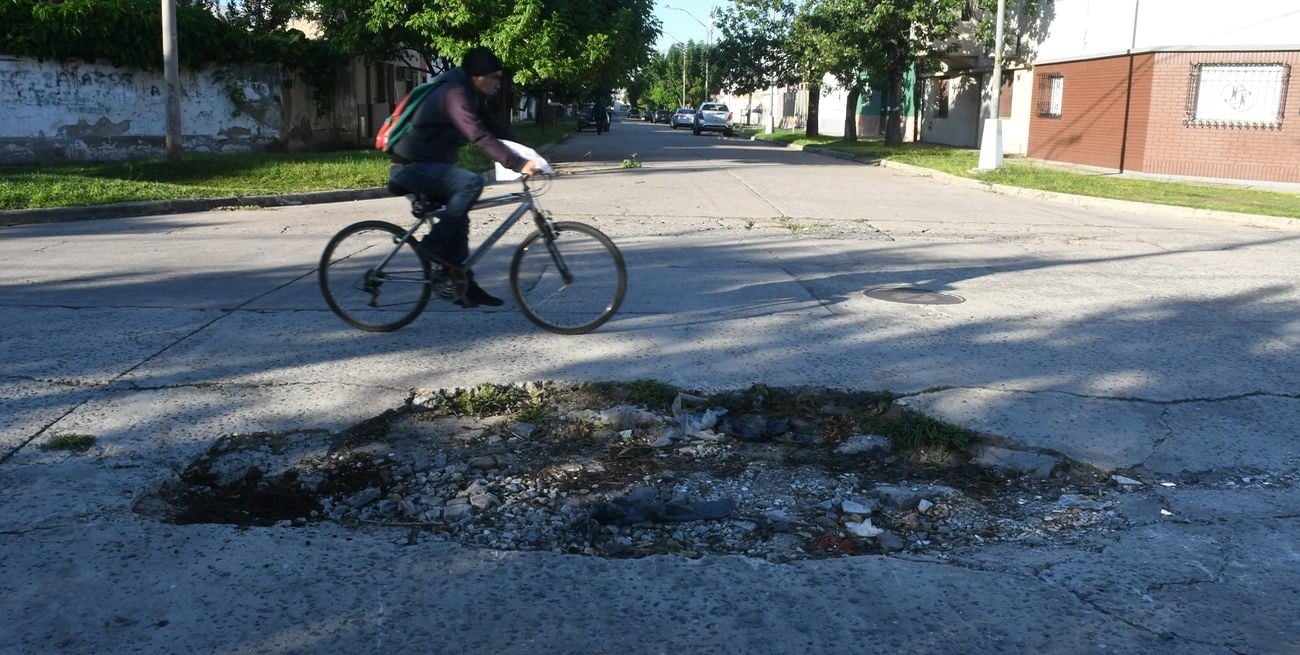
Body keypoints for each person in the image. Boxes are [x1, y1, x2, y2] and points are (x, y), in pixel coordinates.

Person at [389, 46, 542, 307]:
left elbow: (495, 128)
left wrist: (532, 156)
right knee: (472, 183)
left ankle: (463, 284)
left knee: (459, 220)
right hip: (411, 168)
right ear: (478, 76)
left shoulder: (468, 93)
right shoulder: (454, 94)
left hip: (432, 166)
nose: (498, 83)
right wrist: (516, 163)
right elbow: (478, 136)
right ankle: (432, 245)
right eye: (494, 77)